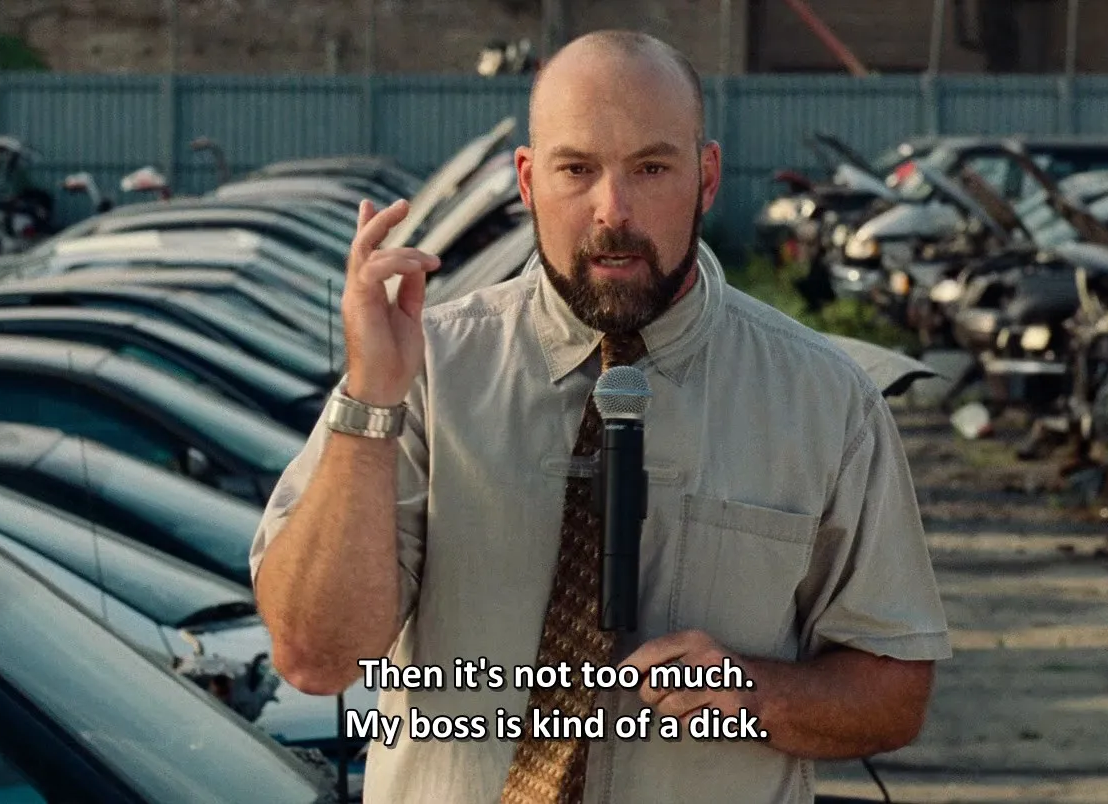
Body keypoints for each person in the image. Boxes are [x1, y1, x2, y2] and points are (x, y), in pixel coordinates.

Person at [251, 29, 950, 804]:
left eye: (650, 168)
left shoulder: (825, 399)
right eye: (577, 169)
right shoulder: (427, 371)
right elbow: (316, 659)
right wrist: (369, 402)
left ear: (706, 178)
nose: (613, 210)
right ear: (527, 181)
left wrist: (757, 695)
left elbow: (895, 692)